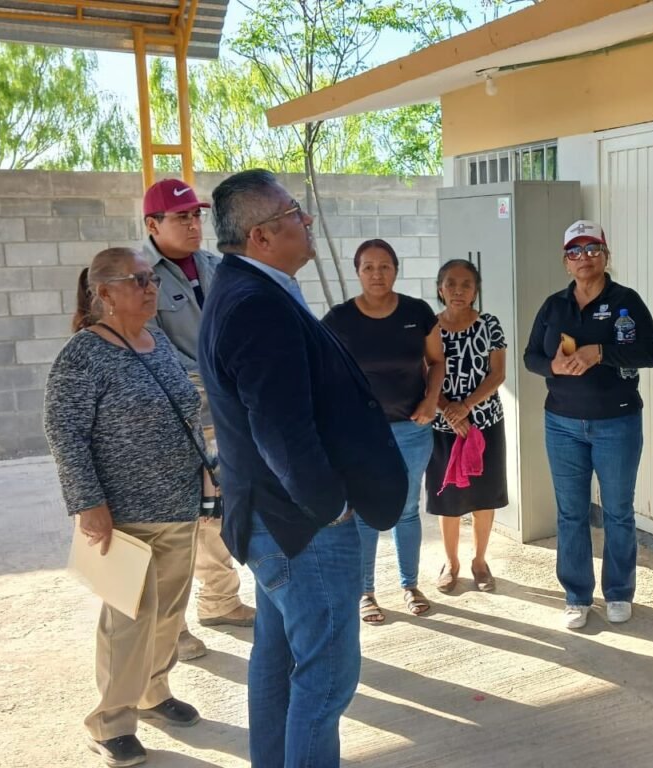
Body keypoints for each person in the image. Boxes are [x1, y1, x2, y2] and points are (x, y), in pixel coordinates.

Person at [197, 170, 408, 767]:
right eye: (295, 213)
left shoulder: (249, 287)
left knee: (279, 662)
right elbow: (281, 431)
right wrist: (332, 508)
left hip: (275, 523)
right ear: (263, 236)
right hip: (300, 529)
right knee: (326, 681)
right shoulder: (254, 305)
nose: (307, 220)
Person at [45, 247, 203, 768]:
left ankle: (153, 692)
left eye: (150, 278)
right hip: (123, 513)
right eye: (137, 280)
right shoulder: (83, 355)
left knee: (169, 615)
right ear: (104, 293)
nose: (150, 286)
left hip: (178, 504)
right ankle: (111, 721)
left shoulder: (156, 343)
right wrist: (88, 503)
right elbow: (65, 433)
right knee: (128, 621)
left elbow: (185, 413)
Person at [523, 220, 653, 630]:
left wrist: (600, 351)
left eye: (592, 249)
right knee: (571, 513)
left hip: (616, 421)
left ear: (606, 255)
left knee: (618, 512)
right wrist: (554, 364)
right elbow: (531, 356)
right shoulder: (553, 306)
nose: (584, 258)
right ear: (566, 262)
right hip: (562, 423)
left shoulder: (626, 302)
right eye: (575, 252)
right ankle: (576, 595)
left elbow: (651, 353)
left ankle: (619, 592)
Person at [142, 178, 255, 663]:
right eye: (181, 217)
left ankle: (221, 602)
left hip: (225, 418)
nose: (193, 224)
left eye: (196, 215)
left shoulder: (217, 266)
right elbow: (150, 351)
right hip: (177, 422)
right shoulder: (140, 276)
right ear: (152, 225)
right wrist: (220, 376)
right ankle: (173, 627)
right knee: (179, 524)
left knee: (218, 515)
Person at [322, 239, 444, 624]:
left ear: (396, 269)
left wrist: (430, 400)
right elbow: (323, 373)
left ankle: (409, 584)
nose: (377, 274)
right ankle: (366, 592)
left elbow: (437, 361)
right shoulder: (340, 319)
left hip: (412, 428)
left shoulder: (417, 312)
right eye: (368, 267)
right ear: (357, 272)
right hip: (360, 435)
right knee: (366, 513)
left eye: (385, 266)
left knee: (408, 510)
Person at [424, 259, 509, 593]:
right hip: (444, 427)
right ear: (440, 288)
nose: (458, 291)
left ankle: (479, 561)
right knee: (449, 498)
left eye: (466, 285)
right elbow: (425, 372)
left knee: (483, 497)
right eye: (451, 284)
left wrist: (466, 408)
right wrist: (449, 411)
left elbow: (498, 374)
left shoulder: (490, 324)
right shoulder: (429, 327)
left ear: (476, 290)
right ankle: (452, 562)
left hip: (485, 423)